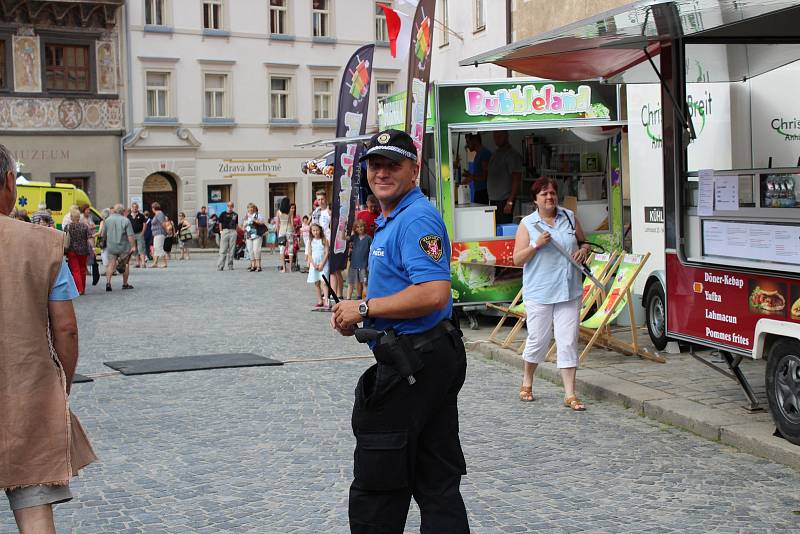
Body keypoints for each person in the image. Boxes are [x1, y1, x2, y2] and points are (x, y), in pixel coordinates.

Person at [331, 129, 469, 533]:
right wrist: (365, 317)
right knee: (436, 481)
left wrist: (363, 307)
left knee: (379, 479)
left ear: (414, 170)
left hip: (416, 360)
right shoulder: (394, 218)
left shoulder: (415, 218)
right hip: (423, 355)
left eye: (393, 164)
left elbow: (433, 293)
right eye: (375, 165)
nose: (382, 173)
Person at [0, 144, 97, 533]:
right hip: (29, 395)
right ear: (10, 182)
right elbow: (66, 328)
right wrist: (62, 385)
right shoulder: (42, 244)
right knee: (35, 512)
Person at [512, 176, 591, 410]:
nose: (549, 197)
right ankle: (527, 381)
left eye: (552, 193)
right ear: (535, 200)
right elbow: (517, 259)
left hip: (569, 288)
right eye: (544, 194)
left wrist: (584, 251)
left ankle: (570, 394)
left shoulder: (568, 216)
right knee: (539, 339)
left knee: (567, 340)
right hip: (540, 291)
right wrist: (536, 244)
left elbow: (585, 242)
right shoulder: (528, 223)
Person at [487, 130, 523, 225]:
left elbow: (516, 179)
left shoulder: (512, 154)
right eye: (495, 136)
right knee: (495, 228)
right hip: (493, 200)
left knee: (504, 228)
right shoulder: (495, 153)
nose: (497, 139)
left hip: (505, 200)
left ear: (507, 136)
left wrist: (510, 202)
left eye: (499, 136)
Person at [101, 204, 136, 291]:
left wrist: (103, 242)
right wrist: (133, 246)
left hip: (111, 246)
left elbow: (103, 234)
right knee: (125, 265)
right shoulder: (126, 220)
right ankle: (125, 284)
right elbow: (130, 235)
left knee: (111, 265)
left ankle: (108, 283)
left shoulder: (107, 220)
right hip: (123, 247)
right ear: (123, 211)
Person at [64, 207, 92, 295]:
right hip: (83, 250)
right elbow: (89, 237)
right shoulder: (84, 226)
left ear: (71, 217)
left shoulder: (68, 227)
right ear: (79, 217)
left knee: (76, 270)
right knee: (83, 269)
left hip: (72, 251)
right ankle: (83, 289)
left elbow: (65, 238)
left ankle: (78, 289)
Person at [461, 133, 492, 205]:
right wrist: (469, 176)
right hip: (479, 191)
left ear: (474, 140)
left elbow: (485, 177)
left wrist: (471, 177)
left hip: (484, 193)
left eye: (468, 142)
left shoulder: (484, 153)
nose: (467, 145)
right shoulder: (478, 154)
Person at [306, 223, 330, 307]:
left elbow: (327, 253)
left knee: (324, 282)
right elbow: (309, 254)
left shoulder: (324, 240)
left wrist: (322, 263)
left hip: (323, 264)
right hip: (314, 264)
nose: (315, 232)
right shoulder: (310, 241)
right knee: (317, 283)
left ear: (320, 230)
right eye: (313, 230)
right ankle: (320, 300)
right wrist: (313, 264)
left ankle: (326, 300)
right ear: (311, 232)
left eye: (317, 230)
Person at [347, 219, 371, 300]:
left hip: (364, 265)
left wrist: (369, 264)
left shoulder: (368, 238)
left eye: (361, 226)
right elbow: (344, 238)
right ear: (355, 229)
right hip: (353, 264)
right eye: (358, 227)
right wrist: (343, 228)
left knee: (364, 283)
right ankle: (348, 299)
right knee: (351, 282)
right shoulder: (354, 237)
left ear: (364, 227)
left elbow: (371, 252)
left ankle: (365, 299)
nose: (360, 228)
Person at [243, 203, 266, 272]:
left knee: (256, 250)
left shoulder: (258, 215)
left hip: (257, 235)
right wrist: (244, 225)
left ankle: (258, 266)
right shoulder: (246, 216)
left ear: (254, 208)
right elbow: (243, 226)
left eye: (252, 207)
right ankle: (253, 266)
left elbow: (262, 223)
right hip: (248, 235)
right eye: (249, 208)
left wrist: (253, 219)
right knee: (250, 250)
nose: (250, 209)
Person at [217, 201, 239, 271]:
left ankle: (230, 265)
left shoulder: (235, 215)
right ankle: (220, 266)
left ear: (233, 207)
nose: (230, 207)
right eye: (229, 206)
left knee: (232, 250)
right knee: (223, 250)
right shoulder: (223, 214)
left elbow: (236, 224)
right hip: (225, 231)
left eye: (231, 206)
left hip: (232, 231)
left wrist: (235, 231)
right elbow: (220, 223)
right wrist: (221, 231)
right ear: (227, 206)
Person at [128, 202, 147, 268]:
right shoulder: (129, 216)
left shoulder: (141, 215)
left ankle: (143, 263)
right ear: (131, 208)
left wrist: (142, 232)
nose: (135, 208)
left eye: (136, 207)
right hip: (132, 235)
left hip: (139, 234)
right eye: (133, 207)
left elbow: (144, 224)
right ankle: (137, 263)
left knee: (141, 248)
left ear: (137, 208)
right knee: (134, 249)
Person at [150, 202, 168, 268]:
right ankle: (155, 263)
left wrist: (166, 231)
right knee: (156, 248)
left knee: (159, 248)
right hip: (156, 234)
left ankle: (165, 263)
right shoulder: (157, 214)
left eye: (152, 208)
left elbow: (163, 223)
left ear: (153, 208)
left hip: (160, 233)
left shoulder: (159, 214)